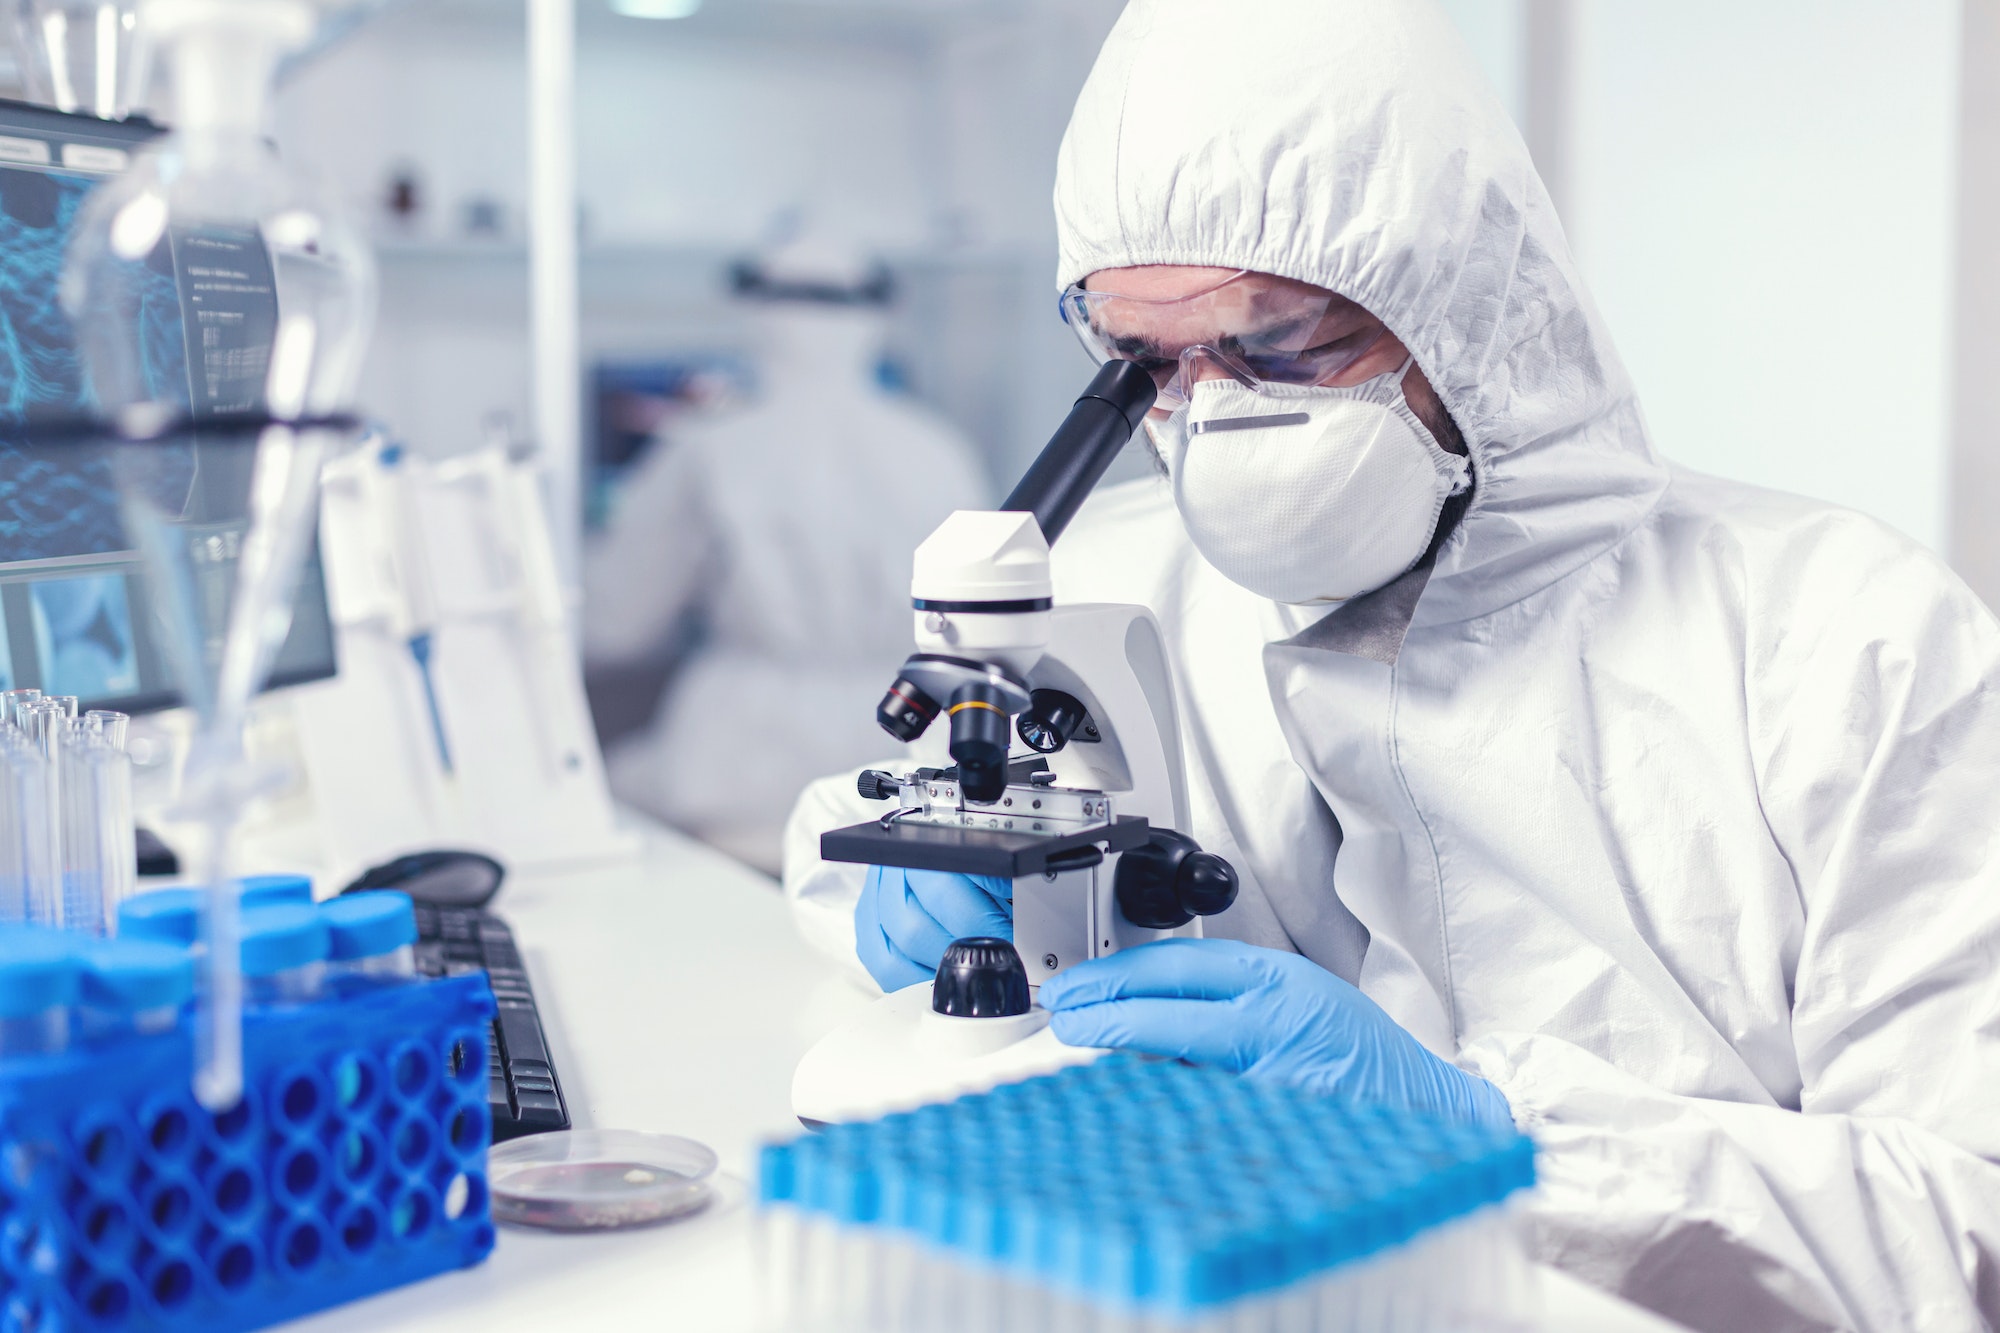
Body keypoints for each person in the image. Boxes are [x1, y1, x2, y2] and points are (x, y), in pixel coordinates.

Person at [779, 2, 2000, 1330]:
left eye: (1285, 346)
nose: (1220, 417)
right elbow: (852, 831)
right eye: (1148, 368)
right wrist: (905, 901)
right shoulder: (1114, 589)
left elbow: (1968, 1225)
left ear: (1466, 304)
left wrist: (1492, 1144)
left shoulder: (1843, 638)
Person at [585, 238, 987, 873]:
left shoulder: (709, 449)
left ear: (759, 316)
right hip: (897, 754)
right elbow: (978, 631)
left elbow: (616, 626)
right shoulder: (940, 453)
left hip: (735, 773)